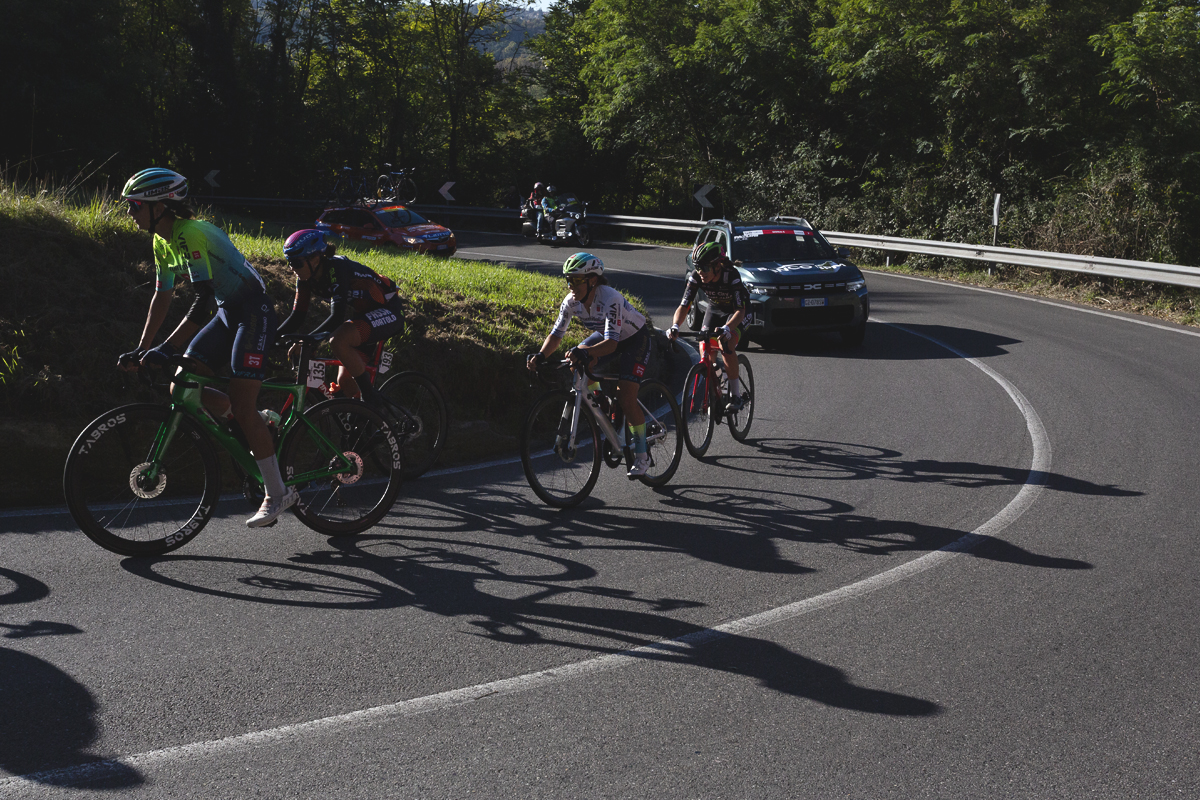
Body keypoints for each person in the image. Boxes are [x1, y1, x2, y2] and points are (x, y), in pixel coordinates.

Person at [116, 167, 295, 527]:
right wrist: (142, 349)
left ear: (160, 206)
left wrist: (165, 347)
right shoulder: (161, 240)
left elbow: (202, 303)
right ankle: (260, 424)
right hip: (229, 312)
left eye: (135, 205)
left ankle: (278, 493)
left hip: (252, 311)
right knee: (181, 383)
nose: (129, 212)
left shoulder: (191, 234)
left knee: (243, 404)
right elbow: (161, 296)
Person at [526, 252, 654, 477]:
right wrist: (541, 355)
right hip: (607, 337)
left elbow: (612, 344)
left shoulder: (610, 298)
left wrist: (585, 353)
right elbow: (556, 335)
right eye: (568, 280)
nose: (570, 285)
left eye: (575, 280)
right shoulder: (571, 302)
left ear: (592, 280)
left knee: (626, 396)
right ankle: (601, 403)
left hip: (634, 339)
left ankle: (643, 455)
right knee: (573, 359)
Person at [276, 229, 406, 406]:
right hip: (365, 316)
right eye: (289, 262)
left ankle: (370, 397)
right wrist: (270, 339)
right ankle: (365, 422)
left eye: (296, 262)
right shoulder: (305, 277)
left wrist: (308, 342)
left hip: (389, 310)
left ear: (315, 258)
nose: (292, 268)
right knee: (345, 380)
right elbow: (297, 317)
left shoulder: (337, 268)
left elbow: (337, 317)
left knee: (338, 340)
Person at [667, 240, 750, 411]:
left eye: (704, 268)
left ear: (717, 265)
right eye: (698, 267)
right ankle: (717, 376)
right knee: (705, 347)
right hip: (716, 308)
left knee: (726, 344)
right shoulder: (697, 276)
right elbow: (684, 305)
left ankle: (735, 396)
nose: (700, 272)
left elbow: (740, 311)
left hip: (737, 311)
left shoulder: (731, 275)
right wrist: (675, 326)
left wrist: (728, 328)